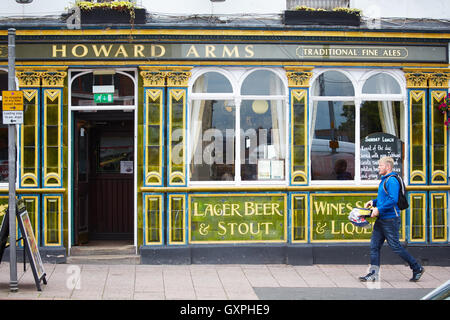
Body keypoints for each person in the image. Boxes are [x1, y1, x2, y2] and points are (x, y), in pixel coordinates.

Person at [359, 156, 424, 282]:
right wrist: (373, 202)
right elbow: (385, 198)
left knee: (395, 246)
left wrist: (378, 209)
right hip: (381, 219)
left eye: (380, 166)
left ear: (387, 167)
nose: (378, 168)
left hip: (390, 220)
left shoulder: (392, 181)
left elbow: (393, 200)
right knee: (374, 246)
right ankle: (373, 274)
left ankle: (417, 268)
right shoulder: (385, 180)